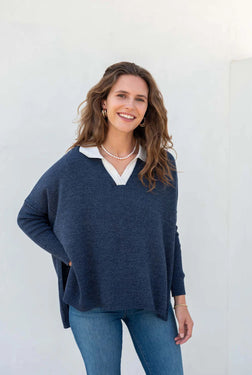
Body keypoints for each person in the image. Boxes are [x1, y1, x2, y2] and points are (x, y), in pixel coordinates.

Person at [17, 61, 194, 374]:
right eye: (121, 95)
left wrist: (179, 301)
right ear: (103, 103)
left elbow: (170, 235)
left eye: (140, 99)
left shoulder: (160, 164)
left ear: (148, 108)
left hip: (150, 299)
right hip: (91, 303)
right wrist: (69, 256)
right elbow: (29, 215)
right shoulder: (73, 166)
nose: (130, 105)